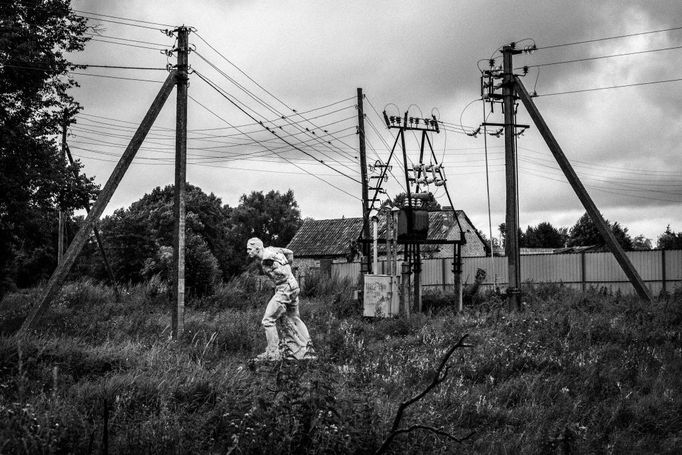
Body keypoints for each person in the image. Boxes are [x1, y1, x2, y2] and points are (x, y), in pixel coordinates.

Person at [246, 237, 314, 361]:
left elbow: (280, 274)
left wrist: (281, 280)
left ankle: (273, 353)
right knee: (293, 318)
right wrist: (289, 267)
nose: (248, 251)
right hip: (293, 285)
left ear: (257, 248)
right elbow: (290, 253)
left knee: (268, 320)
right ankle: (307, 350)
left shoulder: (267, 259)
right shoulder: (272, 249)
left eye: (250, 249)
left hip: (285, 289)